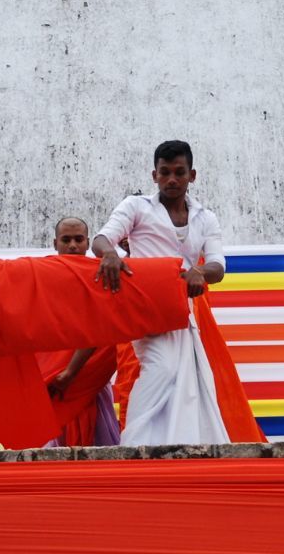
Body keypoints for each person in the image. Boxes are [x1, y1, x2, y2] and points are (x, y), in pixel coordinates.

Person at [92, 140, 263, 445]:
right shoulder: (136, 207)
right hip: (144, 307)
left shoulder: (206, 218)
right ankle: (136, 445)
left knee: (194, 380)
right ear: (154, 175)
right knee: (162, 368)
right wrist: (110, 254)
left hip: (184, 311)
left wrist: (200, 273)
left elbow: (217, 266)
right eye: (165, 172)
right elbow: (103, 237)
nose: (172, 179)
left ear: (191, 175)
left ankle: (180, 444)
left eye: (179, 172)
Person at [42, 217, 122, 446]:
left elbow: (102, 326)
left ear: (88, 243)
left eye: (78, 239)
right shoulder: (42, 276)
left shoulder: (104, 275)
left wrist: (72, 371)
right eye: (66, 240)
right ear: (55, 243)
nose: (73, 246)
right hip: (52, 377)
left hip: (89, 377)